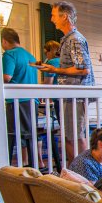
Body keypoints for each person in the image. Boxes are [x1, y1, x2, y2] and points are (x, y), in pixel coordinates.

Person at [36, 1, 95, 162]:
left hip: (75, 94)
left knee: (76, 135)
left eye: (54, 15)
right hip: (69, 94)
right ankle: (76, 170)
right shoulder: (67, 39)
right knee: (70, 135)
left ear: (65, 17)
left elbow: (83, 69)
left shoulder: (74, 39)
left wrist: (55, 70)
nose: (51, 19)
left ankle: (85, 172)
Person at [1, 28, 38, 167]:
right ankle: (29, 163)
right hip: (32, 99)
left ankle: (18, 165)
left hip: (16, 100)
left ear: (4, 41)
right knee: (29, 134)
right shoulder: (30, 56)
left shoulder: (9, 55)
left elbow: (7, 77)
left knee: (15, 135)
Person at [38, 40, 61, 172]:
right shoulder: (62, 61)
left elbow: (48, 83)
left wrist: (40, 95)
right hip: (66, 98)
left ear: (49, 51)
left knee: (62, 129)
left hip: (58, 99)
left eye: (46, 51)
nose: (45, 53)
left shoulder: (51, 63)